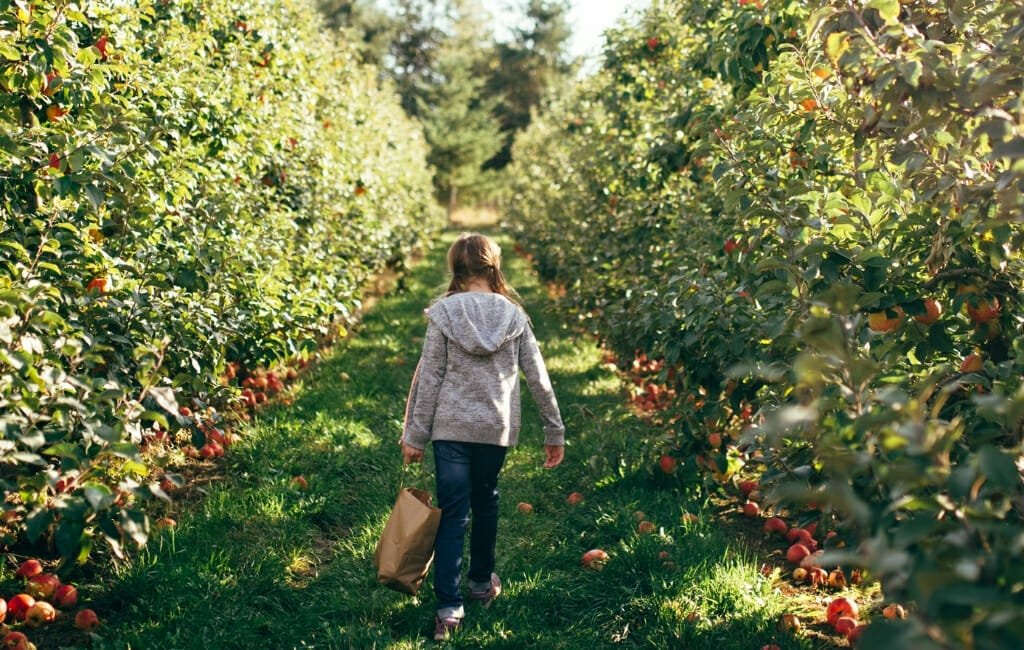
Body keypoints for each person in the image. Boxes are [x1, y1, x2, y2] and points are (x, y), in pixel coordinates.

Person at [400, 232, 565, 642]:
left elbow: (431, 379)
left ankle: (448, 608)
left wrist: (416, 436)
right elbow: (538, 379)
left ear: (455, 270)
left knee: (453, 513)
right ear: (495, 268)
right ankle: (478, 583)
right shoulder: (514, 317)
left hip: (450, 429)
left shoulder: (444, 314)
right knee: (486, 501)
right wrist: (553, 429)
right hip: (495, 429)